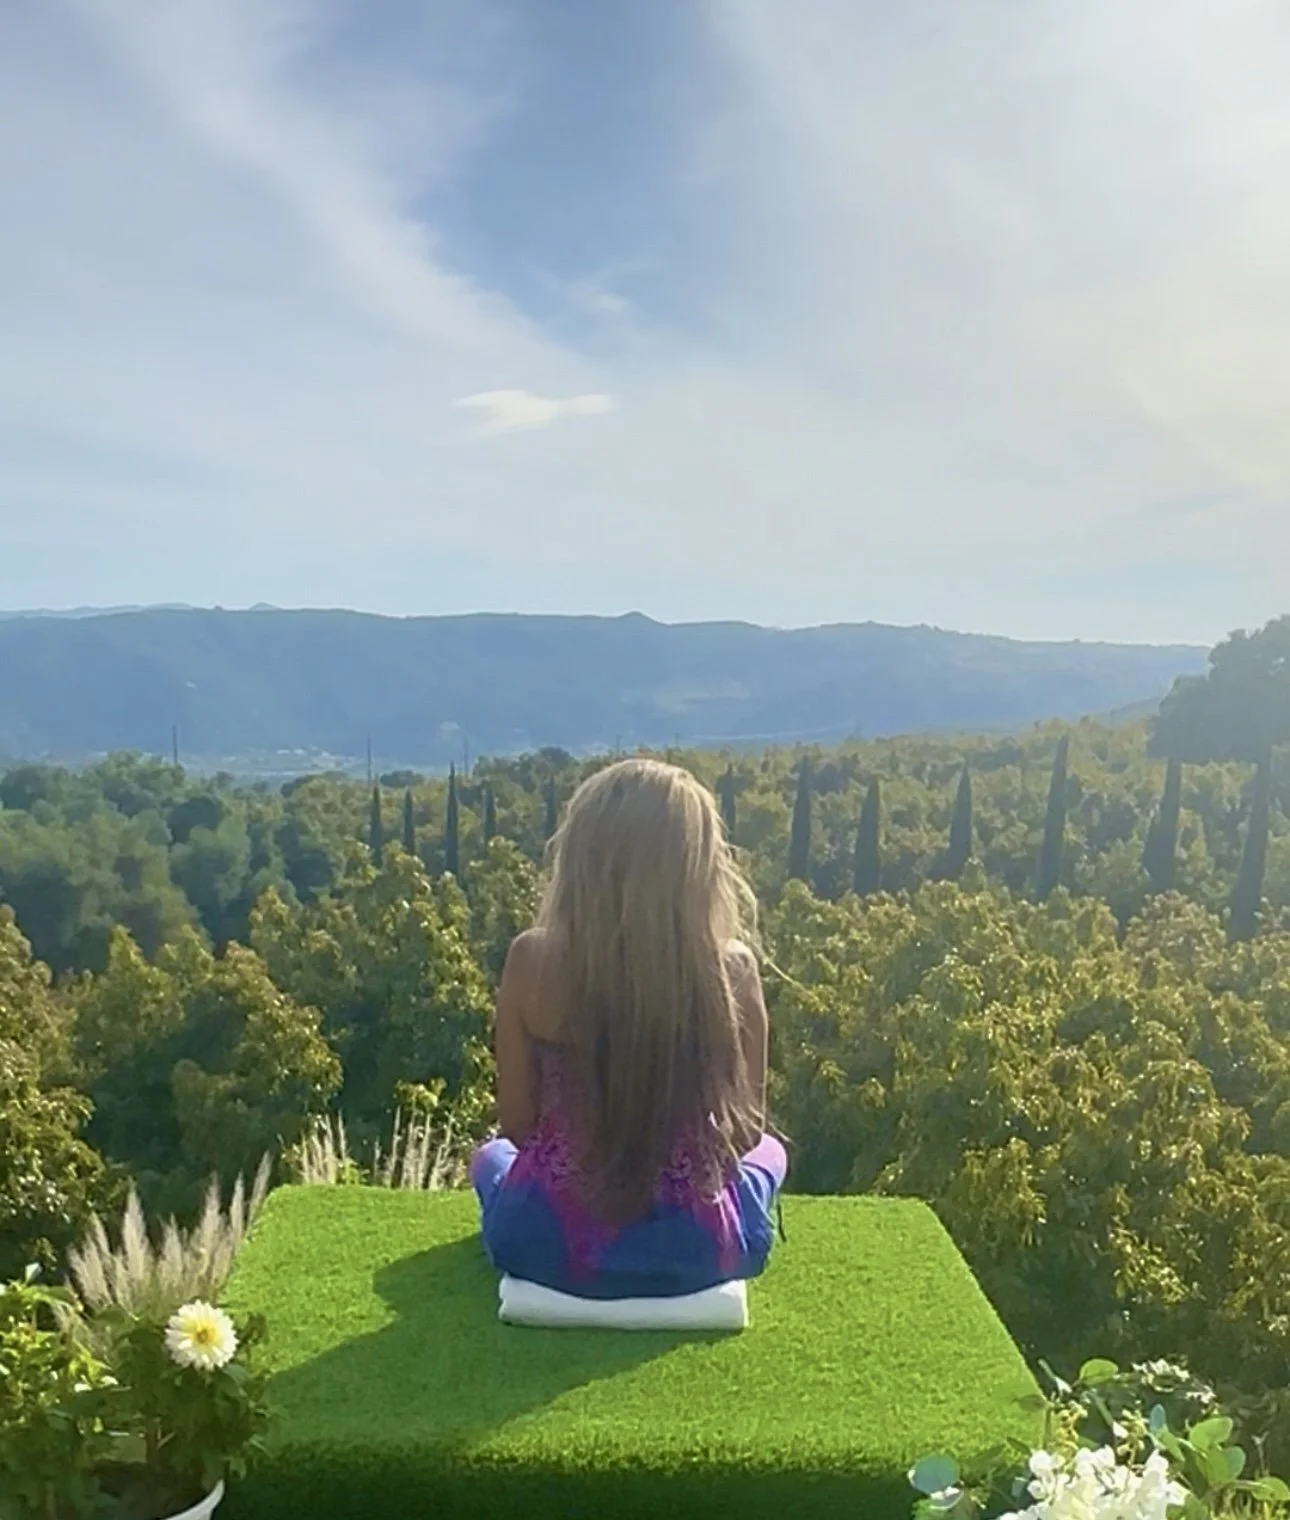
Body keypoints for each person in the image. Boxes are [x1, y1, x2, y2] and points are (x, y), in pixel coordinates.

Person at [470, 758, 788, 1299]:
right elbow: (745, 1133)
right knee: (772, 1153)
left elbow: (518, 1127)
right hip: (700, 1250)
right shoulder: (730, 971)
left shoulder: (531, 961)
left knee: (489, 1157)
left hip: (542, 1243)